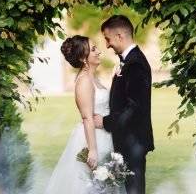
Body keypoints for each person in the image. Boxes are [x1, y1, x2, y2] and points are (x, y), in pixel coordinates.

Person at [45, 35, 125, 194]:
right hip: (93, 139)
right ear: (83, 57)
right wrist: (93, 150)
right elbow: (87, 117)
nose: (99, 51)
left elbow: (101, 103)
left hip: (104, 135)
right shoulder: (84, 81)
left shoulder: (92, 78)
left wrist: (114, 80)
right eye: (93, 49)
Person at [94, 15, 154, 194]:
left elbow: (134, 108)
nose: (107, 45)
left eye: (108, 39)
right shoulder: (129, 61)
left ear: (119, 35)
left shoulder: (135, 64)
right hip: (127, 140)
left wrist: (106, 123)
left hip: (133, 142)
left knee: (134, 190)